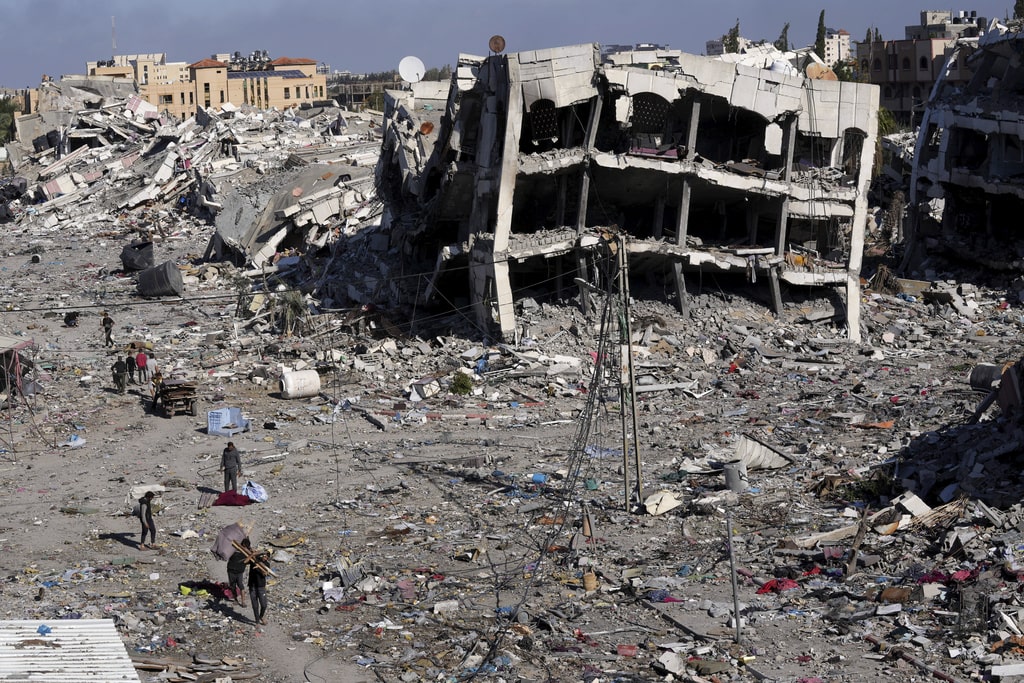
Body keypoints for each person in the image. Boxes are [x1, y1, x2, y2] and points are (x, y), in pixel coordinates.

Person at [247, 548, 271, 625]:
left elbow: (265, 574)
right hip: (252, 586)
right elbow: (245, 562)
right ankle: (257, 621)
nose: (264, 557)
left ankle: (261, 616)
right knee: (255, 605)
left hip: (261, 586)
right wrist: (252, 555)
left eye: (266, 557)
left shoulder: (267, 564)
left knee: (264, 605)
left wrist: (263, 571)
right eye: (263, 556)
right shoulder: (254, 560)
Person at [226, 537, 250, 607]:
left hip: (239, 571)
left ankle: (243, 602)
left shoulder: (247, 552)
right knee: (233, 586)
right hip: (232, 570)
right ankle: (236, 600)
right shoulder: (234, 550)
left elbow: (247, 562)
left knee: (241, 586)